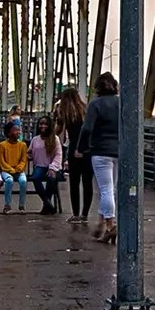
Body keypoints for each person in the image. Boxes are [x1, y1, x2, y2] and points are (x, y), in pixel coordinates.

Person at [80, 72, 121, 244]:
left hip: (100, 151)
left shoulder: (95, 104)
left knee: (105, 189)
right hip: (119, 151)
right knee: (112, 189)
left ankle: (110, 226)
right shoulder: (121, 102)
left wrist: (81, 147)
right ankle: (101, 223)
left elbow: (87, 128)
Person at [55, 86, 93, 223]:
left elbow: (57, 131)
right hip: (88, 150)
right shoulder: (86, 110)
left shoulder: (64, 112)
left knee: (74, 183)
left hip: (74, 150)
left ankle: (76, 214)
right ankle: (85, 215)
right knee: (88, 183)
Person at [29, 115, 64, 215]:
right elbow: (29, 151)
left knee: (51, 179)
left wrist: (53, 167)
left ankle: (46, 207)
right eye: (41, 124)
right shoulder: (35, 139)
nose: (43, 126)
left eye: (45, 124)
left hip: (53, 167)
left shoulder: (55, 139)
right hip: (39, 166)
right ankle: (47, 202)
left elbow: (58, 154)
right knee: (35, 178)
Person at [0, 122, 31, 213]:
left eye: (19, 130)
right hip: (6, 170)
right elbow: (1, 161)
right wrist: (10, 169)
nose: (18, 132)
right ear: (9, 133)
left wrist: (19, 168)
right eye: (16, 130)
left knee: (23, 181)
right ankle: (7, 205)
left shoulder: (22, 145)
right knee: (9, 180)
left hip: (18, 170)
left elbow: (23, 160)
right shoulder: (2, 145)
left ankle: (22, 205)